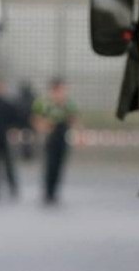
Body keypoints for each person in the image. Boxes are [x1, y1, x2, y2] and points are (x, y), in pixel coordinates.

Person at [33, 76, 78, 205]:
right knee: (50, 165)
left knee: (60, 165)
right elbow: (36, 119)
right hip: (50, 136)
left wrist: (79, 133)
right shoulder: (43, 102)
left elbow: (73, 118)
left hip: (62, 135)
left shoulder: (68, 103)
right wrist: (44, 127)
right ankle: (47, 191)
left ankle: (55, 191)